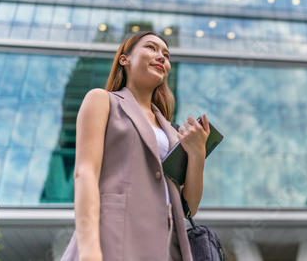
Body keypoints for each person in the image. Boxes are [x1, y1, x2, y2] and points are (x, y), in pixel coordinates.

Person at [60, 31, 210, 261]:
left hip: (166, 247)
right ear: (124, 59)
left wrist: (198, 153)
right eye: (151, 48)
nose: (162, 57)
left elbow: (188, 206)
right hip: (113, 237)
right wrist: (89, 250)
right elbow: (85, 173)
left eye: (166, 55)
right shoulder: (102, 100)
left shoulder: (172, 131)